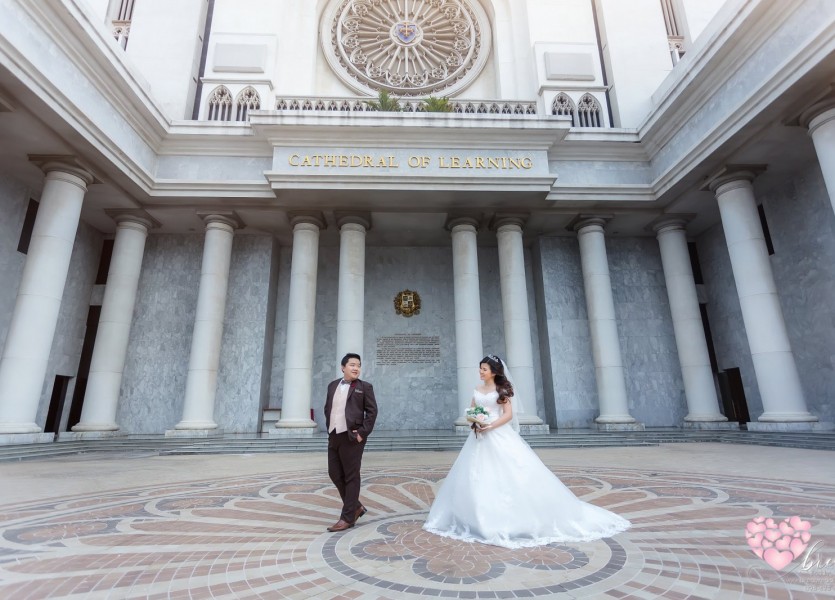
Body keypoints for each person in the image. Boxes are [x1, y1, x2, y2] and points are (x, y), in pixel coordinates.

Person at [423, 354, 631, 549]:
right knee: (475, 475)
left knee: (511, 472)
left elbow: (507, 415)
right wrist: (475, 421)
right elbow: (471, 410)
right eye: (480, 369)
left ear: (494, 371)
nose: (481, 372)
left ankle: (514, 519)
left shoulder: (501, 390)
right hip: (478, 437)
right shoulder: (477, 388)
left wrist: (490, 426)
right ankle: (474, 517)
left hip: (497, 434)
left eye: (484, 369)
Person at [324, 352, 378, 532]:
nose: (356, 368)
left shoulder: (365, 387)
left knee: (351, 476)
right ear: (343, 367)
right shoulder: (332, 386)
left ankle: (347, 517)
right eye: (352, 365)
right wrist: (330, 429)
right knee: (334, 473)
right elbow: (328, 409)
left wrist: (362, 433)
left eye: (358, 365)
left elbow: (372, 412)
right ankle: (356, 507)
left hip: (352, 437)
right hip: (334, 435)